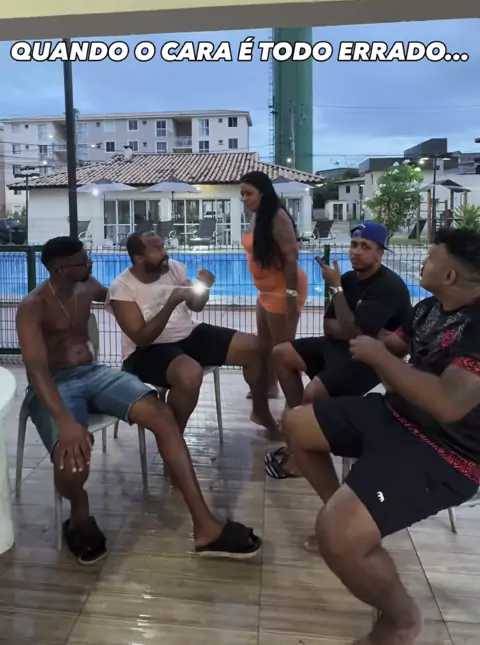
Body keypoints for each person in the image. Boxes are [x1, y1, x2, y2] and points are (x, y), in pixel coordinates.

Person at [283, 227, 480, 645]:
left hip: (445, 452)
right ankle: (344, 514)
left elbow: (448, 403)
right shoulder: (428, 308)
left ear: (449, 275)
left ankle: (401, 621)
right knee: (297, 424)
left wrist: (376, 355)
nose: (423, 260)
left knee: (337, 536)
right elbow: (391, 345)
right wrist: (356, 324)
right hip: (395, 414)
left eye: (431, 256)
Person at [16, 236, 261, 564]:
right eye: (83, 260)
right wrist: (65, 420)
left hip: (94, 373)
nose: (90, 263)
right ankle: (79, 510)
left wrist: (166, 290)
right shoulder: (32, 306)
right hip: (54, 383)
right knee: (73, 458)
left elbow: (122, 295)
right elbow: (36, 370)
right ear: (60, 270)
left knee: (162, 416)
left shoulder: (86, 285)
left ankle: (206, 526)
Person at [266, 221, 411, 480]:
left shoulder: (388, 287)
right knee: (281, 354)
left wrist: (337, 291)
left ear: (379, 254)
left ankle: (301, 454)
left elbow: (354, 332)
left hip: (371, 358)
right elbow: (330, 327)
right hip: (340, 346)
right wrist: (352, 324)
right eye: (354, 245)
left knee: (314, 392)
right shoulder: (347, 279)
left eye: (365, 247)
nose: (356, 251)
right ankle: (300, 428)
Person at [106, 231, 280, 439]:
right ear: (138, 258)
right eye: (157, 249)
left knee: (255, 346)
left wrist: (204, 287)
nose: (164, 253)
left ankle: (260, 411)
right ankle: (173, 439)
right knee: (189, 374)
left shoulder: (174, 268)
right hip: (145, 352)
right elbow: (141, 339)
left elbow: (196, 306)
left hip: (188, 334)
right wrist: (170, 303)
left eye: (163, 246)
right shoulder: (122, 288)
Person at [240, 171, 308, 408]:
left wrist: (291, 295)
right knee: (265, 344)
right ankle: (270, 387)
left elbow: (291, 256)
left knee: (283, 351)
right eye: (242, 194)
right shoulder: (259, 216)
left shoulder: (278, 217)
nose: (244, 198)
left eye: (248, 193)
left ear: (263, 193)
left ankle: (296, 406)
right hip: (266, 290)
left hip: (283, 289)